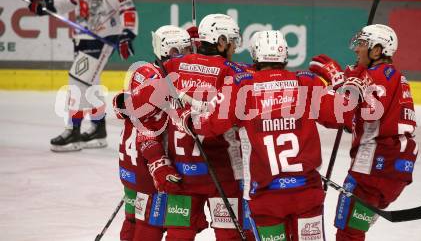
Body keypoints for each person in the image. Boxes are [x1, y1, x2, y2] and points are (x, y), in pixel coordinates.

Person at [180, 30, 350, 240]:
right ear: (285, 56)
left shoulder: (242, 85)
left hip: (265, 197)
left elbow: (209, 125)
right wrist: (339, 81)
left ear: (255, 56)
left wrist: (189, 119)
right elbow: (345, 115)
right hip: (306, 192)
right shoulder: (306, 82)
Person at [315, 24, 418, 241]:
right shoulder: (394, 77)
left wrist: (337, 82)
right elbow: (358, 116)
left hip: (372, 168)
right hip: (396, 169)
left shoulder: (377, 75)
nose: (356, 49)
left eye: (362, 44)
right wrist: (351, 79)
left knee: (348, 234)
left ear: (377, 50)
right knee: (355, 230)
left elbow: (344, 113)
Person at [158, 14, 256, 241]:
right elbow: (257, 77)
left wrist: (190, 53)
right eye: (232, 41)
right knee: (231, 237)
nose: (234, 47)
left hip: (181, 174)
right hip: (222, 174)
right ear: (221, 42)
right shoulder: (234, 71)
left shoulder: (172, 65)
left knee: (177, 237)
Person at [27, 0, 138, 152]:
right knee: (90, 82)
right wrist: (48, 5)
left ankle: (73, 131)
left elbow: (127, 7)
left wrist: (127, 35)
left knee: (77, 78)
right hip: (83, 35)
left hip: (103, 37)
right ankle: (98, 129)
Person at [113, 25, 193, 241]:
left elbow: (122, 106)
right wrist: (158, 162)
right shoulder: (159, 82)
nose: (189, 55)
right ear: (169, 51)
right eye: (184, 50)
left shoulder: (144, 72)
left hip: (130, 165)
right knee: (149, 224)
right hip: (144, 168)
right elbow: (145, 126)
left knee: (133, 219)